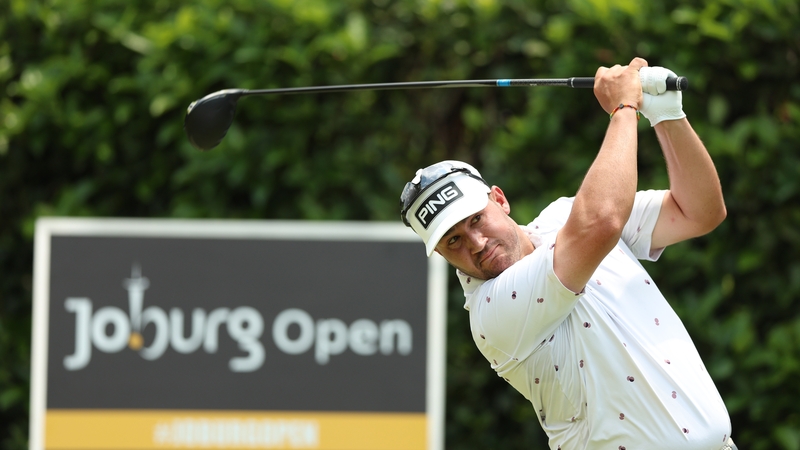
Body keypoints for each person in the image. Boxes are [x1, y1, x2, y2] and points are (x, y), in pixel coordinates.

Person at [400, 58, 736, 450]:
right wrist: (624, 108)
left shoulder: (566, 216)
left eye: (476, 219)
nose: (475, 243)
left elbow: (700, 211)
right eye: (453, 241)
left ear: (499, 200)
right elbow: (601, 223)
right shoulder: (491, 312)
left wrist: (666, 116)